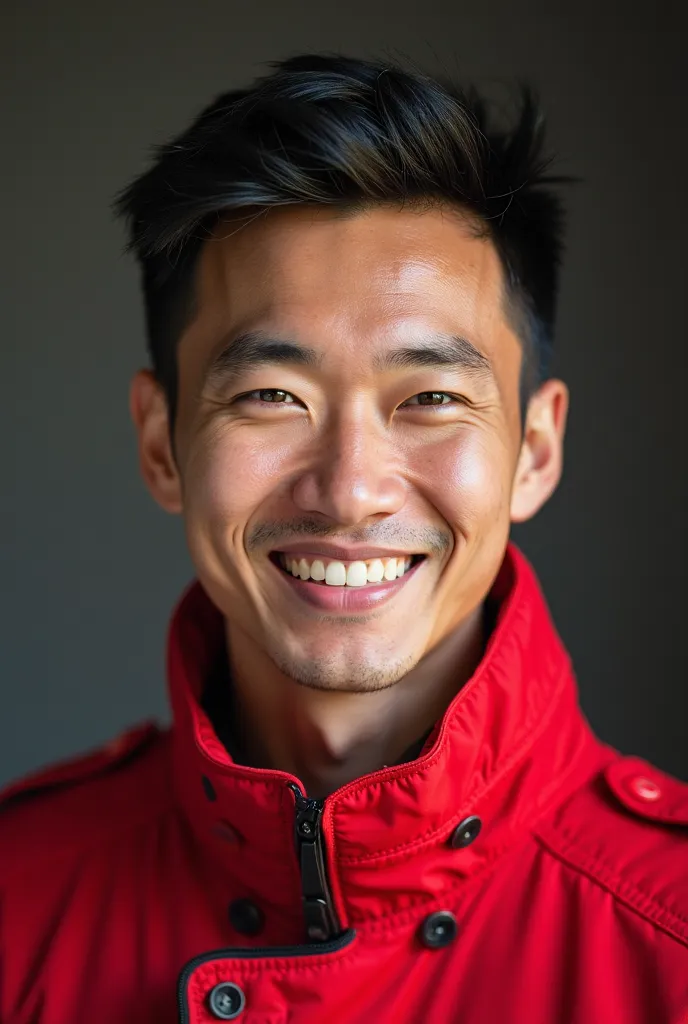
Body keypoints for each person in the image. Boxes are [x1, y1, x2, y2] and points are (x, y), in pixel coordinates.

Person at [1, 53, 686, 1024]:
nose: (349, 489)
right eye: (271, 396)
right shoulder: (16, 905)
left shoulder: (668, 936)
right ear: (162, 445)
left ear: (534, 450)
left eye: (432, 398)